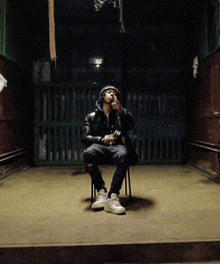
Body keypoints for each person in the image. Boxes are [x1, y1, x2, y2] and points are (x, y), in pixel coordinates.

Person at [81, 85, 137, 215]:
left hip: (117, 147)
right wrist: (102, 139)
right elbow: (85, 137)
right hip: (100, 146)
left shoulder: (120, 114)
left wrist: (120, 110)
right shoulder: (91, 116)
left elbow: (131, 125)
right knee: (88, 153)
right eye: (108, 92)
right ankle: (101, 192)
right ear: (102, 96)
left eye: (114, 93)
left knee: (124, 154)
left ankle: (112, 197)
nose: (111, 94)